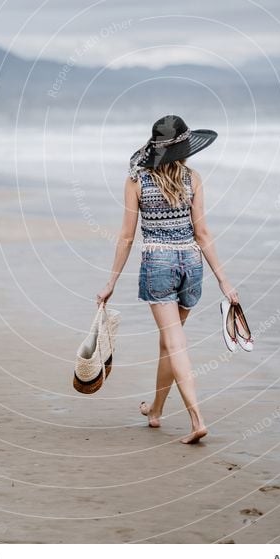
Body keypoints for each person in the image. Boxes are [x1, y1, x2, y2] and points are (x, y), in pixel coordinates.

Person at [96, 114, 239, 444]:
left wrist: (111, 283)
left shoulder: (136, 181)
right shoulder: (193, 179)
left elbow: (127, 237)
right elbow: (202, 234)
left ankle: (196, 419)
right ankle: (156, 411)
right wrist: (224, 281)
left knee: (174, 343)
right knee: (168, 342)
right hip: (191, 263)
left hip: (159, 263)